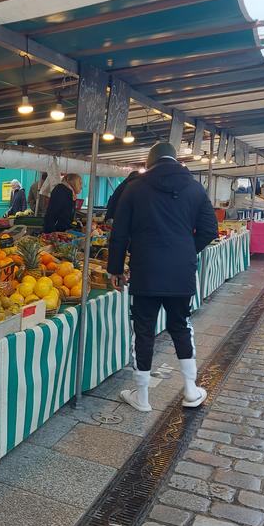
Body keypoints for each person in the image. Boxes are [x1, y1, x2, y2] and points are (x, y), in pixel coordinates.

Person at [108, 142, 218, 412]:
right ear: (175, 159)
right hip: (181, 271)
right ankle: (191, 390)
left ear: (150, 161)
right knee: (181, 325)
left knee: (143, 330)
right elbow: (209, 229)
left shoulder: (135, 189)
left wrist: (114, 268)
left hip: (145, 268)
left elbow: (119, 233)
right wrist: (185, 250)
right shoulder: (195, 188)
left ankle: (142, 397)